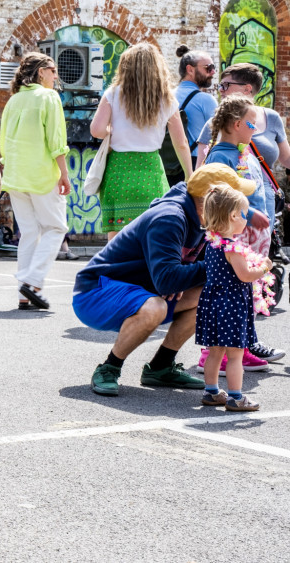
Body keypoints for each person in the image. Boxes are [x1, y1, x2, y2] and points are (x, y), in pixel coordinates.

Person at [72, 164, 254, 396]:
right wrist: (213, 267)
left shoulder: (204, 220)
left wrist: (182, 277)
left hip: (141, 289)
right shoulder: (170, 218)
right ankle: (109, 367)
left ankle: (160, 367)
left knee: (209, 294)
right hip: (95, 292)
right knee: (155, 307)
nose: (239, 210)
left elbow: (177, 277)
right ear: (213, 199)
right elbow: (168, 281)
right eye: (235, 202)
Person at [199, 95, 279, 372]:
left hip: (251, 237)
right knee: (232, 294)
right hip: (237, 238)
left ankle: (242, 347)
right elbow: (219, 199)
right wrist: (249, 214)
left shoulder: (243, 151)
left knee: (246, 294)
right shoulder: (221, 155)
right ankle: (215, 354)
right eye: (251, 124)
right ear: (235, 124)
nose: (254, 129)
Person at [90, 42, 192, 240]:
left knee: (116, 235)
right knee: (150, 232)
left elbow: (96, 130)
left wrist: (111, 130)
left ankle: (113, 270)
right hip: (151, 170)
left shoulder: (113, 93)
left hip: (119, 170)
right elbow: (181, 143)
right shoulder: (167, 99)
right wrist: (189, 175)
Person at [0, 52, 70, 310]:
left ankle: (24, 295)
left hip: (16, 175)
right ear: (41, 71)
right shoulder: (49, 97)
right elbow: (56, 140)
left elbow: (3, 143)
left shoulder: (14, 101)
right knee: (56, 228)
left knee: (29, 232)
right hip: (40, 173)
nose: (55, 75)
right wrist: (64, 173)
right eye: (52, 70)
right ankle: (32, 281)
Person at [196, 186, 271, 412]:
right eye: (245, 214)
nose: (246, 219)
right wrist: (264, 268)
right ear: (233, 216)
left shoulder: (212, 243)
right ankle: (236, 397)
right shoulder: (232, 248)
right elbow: (245, 275)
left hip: (213, 302)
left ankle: (211, 392)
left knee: (215, 350)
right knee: (236, 354)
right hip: (231, 304)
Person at [169, 44, 218, 187]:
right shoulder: (206, 100)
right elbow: (219, 136)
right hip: (196, 164)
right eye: (208, 68)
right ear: (190, 69)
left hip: (166, 164)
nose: (213, 72)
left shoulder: (167, 96)